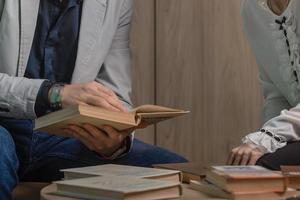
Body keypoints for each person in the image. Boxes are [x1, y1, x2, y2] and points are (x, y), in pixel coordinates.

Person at [0, 0, 187, 199]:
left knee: (180, 175)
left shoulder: (118, 4)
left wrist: (115, 141)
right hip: (4, 128)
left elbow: (115, 92)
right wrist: (54, 94)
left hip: (66, 135)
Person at [227, 0, 300, 169]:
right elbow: (276, 92)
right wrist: (263, 143)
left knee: (264, 164)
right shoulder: (251, 9)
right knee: (249, 164)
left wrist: (270, 136)